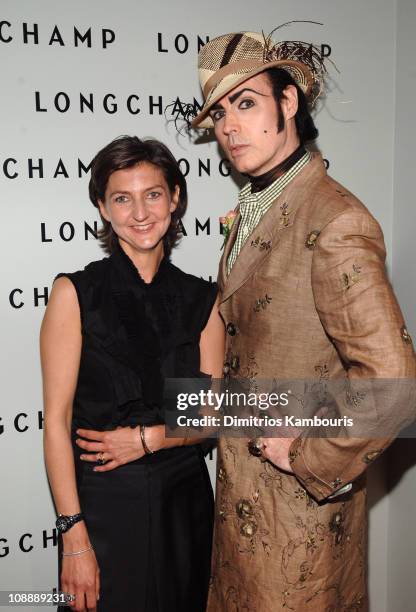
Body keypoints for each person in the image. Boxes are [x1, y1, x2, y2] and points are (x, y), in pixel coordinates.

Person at [187, 31, 416, 611]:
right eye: (219, 112)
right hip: (240, 503)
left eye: (246, 103)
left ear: (288, 102)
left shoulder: (336, 220)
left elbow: (394, 384)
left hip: (299, 522)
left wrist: (309, 456)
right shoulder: (256, 209)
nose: (229, 127)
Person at [41, 135, 224, 612]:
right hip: (104, 507)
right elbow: (57, 424)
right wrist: (74, 537)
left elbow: (211, 414)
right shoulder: (76, 294)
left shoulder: (201, 301)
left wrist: (150, 438)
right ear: (102, 207)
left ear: (175, 198)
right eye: (122, 198)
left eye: (154, 194)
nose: (140, 212)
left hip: (185, 505)